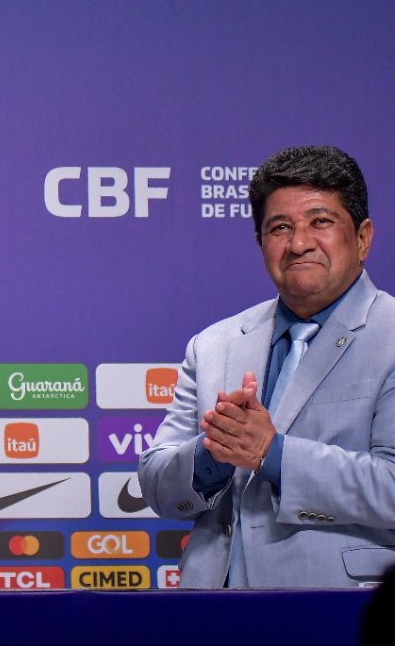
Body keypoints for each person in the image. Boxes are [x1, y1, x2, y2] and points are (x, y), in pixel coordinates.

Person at [139, 145, 395, 588]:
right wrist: (212, 454)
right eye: (280, 227)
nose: (299, 243)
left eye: (321, 221)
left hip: (335, 613)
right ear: (261, 242)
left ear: (363, 237)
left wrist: (271, 454)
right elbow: (158, 484)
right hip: (211, 612)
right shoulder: (214, 344)